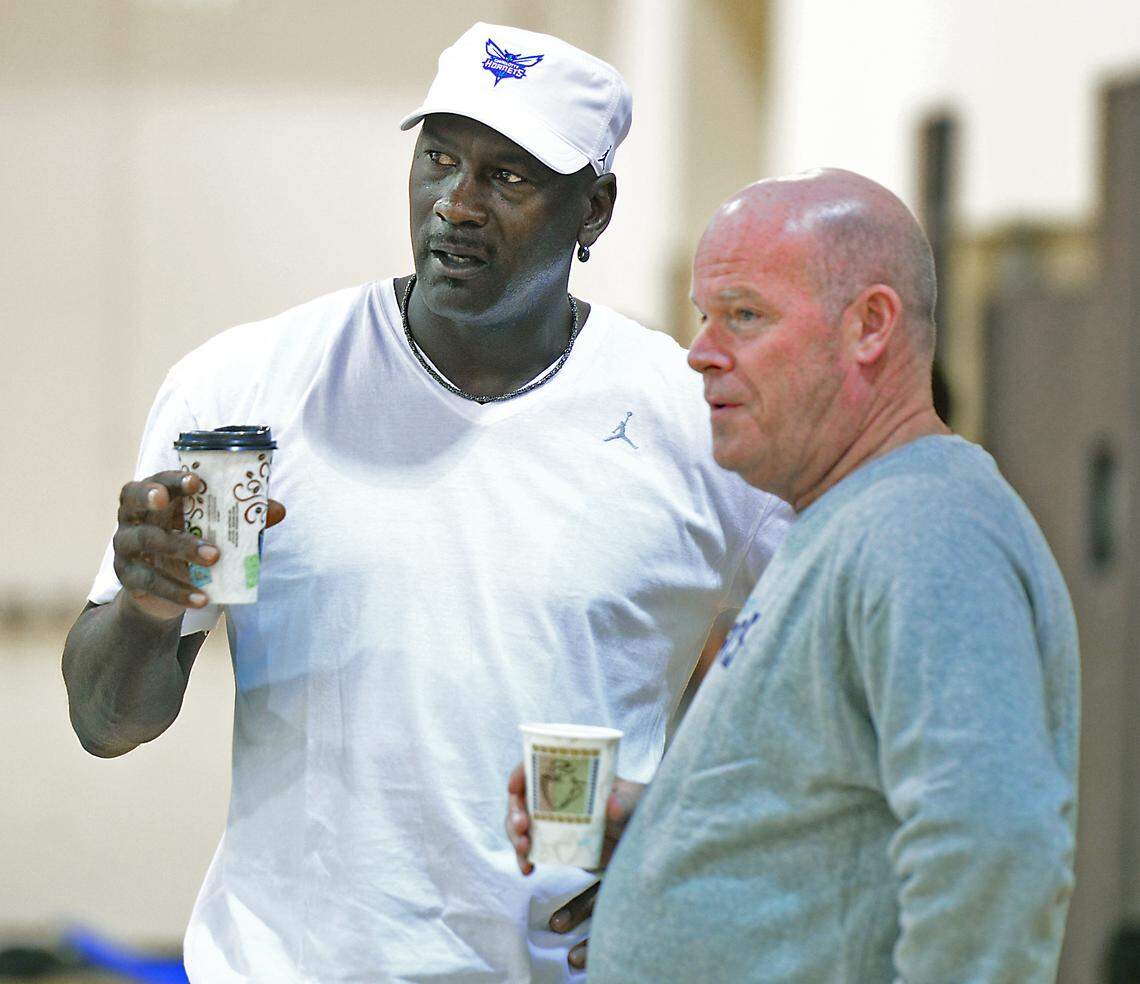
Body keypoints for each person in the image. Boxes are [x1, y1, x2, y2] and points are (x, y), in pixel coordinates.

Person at [60, 22, 791, 984]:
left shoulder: (695, 420)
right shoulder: (246, 392)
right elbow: (106, 723)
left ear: (595, 208)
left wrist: (698, 826)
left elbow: (845, 674)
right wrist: (149, 608)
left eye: (509, 177)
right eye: (439, 157)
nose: (457, 203)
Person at [507, 168, 1080, 981]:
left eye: (744, 316)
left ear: (869, 327)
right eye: (706, 318)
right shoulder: (842, 521)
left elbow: (994, 847)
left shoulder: (923, 532)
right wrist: (666, 827)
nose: (702, 354)